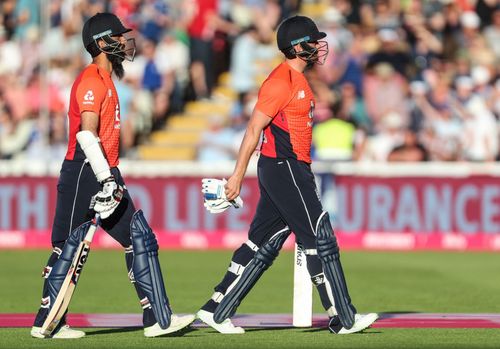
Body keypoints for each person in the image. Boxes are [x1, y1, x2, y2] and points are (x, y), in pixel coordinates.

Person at [196, 15, 378, 334]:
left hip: (286, 168)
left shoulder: (299, 81)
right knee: (318, 236)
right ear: (297, 47)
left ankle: (216, 309)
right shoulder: (281, 81)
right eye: (312, 42)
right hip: (286, 167)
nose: (318, 47)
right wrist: (237, 177)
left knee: (262, 243)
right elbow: (254, 128)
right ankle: (342, 316)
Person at [30, 12, 195, 339]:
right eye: (117, 37)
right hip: (85, 170)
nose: (124, 42)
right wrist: (105, 178)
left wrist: (110, 176)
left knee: (140, 237)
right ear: (102, 43)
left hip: (105, 170)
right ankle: (48, 321)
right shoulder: (91, 79)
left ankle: (158, 319)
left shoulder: (106, 79)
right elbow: (86, 136)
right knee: (67, 246)